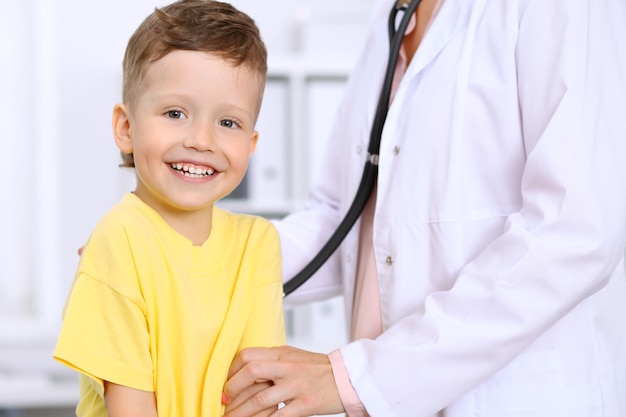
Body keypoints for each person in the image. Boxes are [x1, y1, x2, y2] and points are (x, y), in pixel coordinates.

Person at [222, 0, 626, 416]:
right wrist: (197, 257)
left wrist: (359, 377)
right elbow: (343, 218)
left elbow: (574, 230)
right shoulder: (394, 13)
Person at [53, 1, 285, 416]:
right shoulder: (120, 240)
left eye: (228, 123)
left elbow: (257, 397)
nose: (201, 139)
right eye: (175, 113)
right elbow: (131, 407)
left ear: (250, 145)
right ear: (127, 128)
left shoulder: (258, 244)